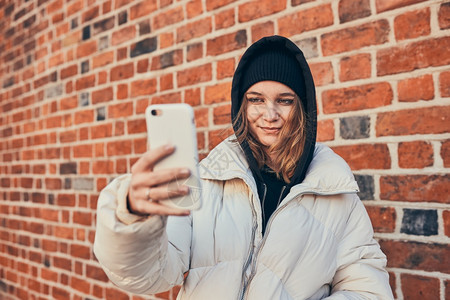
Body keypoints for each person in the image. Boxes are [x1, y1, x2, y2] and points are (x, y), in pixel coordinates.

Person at [94, 35, 393, 299]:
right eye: (256, 100)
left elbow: (368, 290)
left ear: (302, 108)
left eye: (285, 101)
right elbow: (151, 275)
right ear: (242, 105)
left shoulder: (336, 192)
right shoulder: (206, 181)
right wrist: (133, 217)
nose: (270, 114)